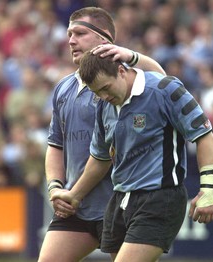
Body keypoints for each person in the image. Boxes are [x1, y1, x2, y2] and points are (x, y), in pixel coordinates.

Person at [51, 51, 213, 261]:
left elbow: (204, 136)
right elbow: (100, 157)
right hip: (120, 201)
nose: (103, 96)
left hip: (160, 198)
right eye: (97, 93)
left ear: (121, 71)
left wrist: (208, 189)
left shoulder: (164, 89)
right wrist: (75, 194)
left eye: (106, 88)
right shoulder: (104, 105)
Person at [37, 7, 166, 262]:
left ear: (104, 39)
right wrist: (55, 187)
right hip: (77, 208)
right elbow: (55, 145)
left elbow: (163, 81)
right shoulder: (63, 88)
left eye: (80, 33)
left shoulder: (124, 83)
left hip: (122, 204)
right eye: (69, 34)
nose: (71, 40)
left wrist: (130, 56)